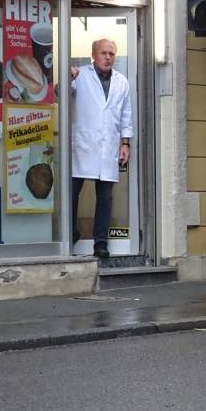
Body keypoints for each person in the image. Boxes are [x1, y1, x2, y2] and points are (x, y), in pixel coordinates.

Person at [70, 38, 133, 259]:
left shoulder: (121, 82)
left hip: (108, 147)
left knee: (105, 197)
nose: (108, 57)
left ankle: (100, 242)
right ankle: (69, 234)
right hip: (83, 144)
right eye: (104, 53)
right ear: (93, 55)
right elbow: (60, 93)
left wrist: (125, 143)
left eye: (111, 54)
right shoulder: (81, 76)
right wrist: (68, 78)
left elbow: (126, 114)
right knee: (73, 192)